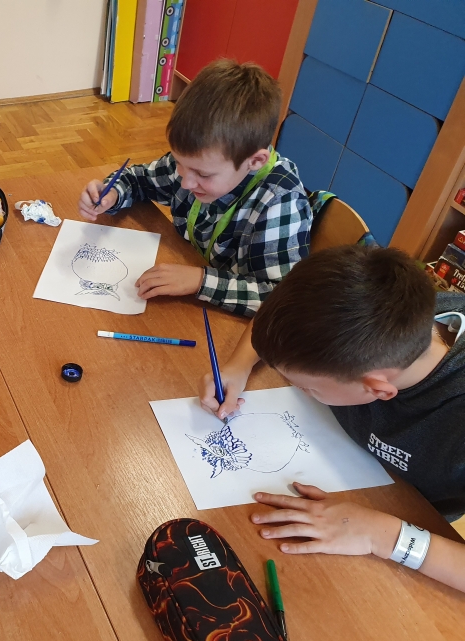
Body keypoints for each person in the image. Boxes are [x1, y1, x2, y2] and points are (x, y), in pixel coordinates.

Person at [197, 245, 465, 592]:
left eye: (307, 387)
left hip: (405, 536)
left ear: (378, 390)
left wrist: (379, 534)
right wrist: (238, 366)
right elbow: (280, 313)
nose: (298, 388)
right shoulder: (381, 310)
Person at [78, 59, 311, 317]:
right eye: (179, 163)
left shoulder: (280, 202)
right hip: (191, 286)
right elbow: (139, 179)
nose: (186, 182)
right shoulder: (197, 162)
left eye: (203, 174)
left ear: (254, 161)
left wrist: (201, 280)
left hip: (230, 322)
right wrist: (112, 193)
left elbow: (282, 300)